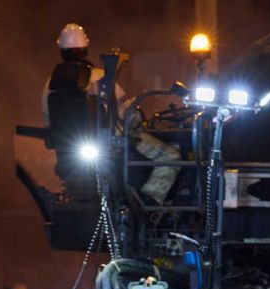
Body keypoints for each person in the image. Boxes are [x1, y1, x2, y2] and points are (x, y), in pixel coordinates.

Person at [41, 23, 177, 205]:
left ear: (61, 50)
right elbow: (124, 113)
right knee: (171, 157)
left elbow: (48, 121)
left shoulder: (49, 85)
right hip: (112, 145)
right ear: (85, 49)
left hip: (69, 152)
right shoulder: (100, 76)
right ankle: (149, 202)